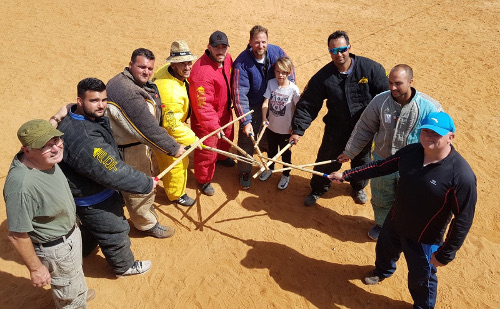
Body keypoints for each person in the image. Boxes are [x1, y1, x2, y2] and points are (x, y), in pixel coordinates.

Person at [329, 112, 477, 309]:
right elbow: (381, 166)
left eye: (436, 133)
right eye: (425, 131)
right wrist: (347, 175)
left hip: (424, 237)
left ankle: (423, 306)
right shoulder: (412, 153)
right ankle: (382, 271)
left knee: (421, 277)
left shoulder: (461, 176)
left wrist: (445, 254)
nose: (429, 136)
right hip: (396, 220)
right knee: (384, 251)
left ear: (450, 137)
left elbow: (463, 220)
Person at [58, 78, 153, 278]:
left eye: (103, 100)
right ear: (80, 101)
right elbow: (112, 169)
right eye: (94, 101)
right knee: (115, 230)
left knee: (92, 229)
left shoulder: (75, 115)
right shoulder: (87, 141)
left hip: (84, 192)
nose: (101, 105)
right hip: (95, 197)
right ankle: (123, 266)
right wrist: (145, 183)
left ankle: (82, 251)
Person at [337, 64, 442, 240]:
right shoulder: (380, 101)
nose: (392, 88)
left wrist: (433, 165)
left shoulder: (430, 108)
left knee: (410, 201)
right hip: (382, 161)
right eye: (390, 83)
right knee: (381, 198)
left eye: (398, 83)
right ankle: (382, 225)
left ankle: (406, 229)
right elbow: (364, 127)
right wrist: (350, 151)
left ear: (410, 82)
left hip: (413, 167)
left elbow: (440, 139)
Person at [290, 30, 388, 206]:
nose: (339, 54)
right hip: (336, 129)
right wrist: (298, 129)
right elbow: (308, 104)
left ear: (349, 47)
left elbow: (386, 98)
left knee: (362, 160)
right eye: (334, 51)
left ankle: (358, 186)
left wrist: (382, 125)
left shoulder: (371, 69)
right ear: (329, 52)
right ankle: (318, 189)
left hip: (365, 129)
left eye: (342, 49)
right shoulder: (323, 77)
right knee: (326, 161)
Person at [4, 119, 94, 308]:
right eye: (46, 146)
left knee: (73, 277)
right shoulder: (21, 186)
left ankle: (77, 290)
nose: (55, 148)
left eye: (56, 141)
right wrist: (36, 269)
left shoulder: (43, 159)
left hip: (69, 235)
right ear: (26, 150)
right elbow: (16, 235)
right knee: (70, 299)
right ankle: (72, 299)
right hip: (57, 249)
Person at [106, 48, 185, 237]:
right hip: (130, 150)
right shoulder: (126, 91)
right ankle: (146, 224)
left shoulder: (129, 81)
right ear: (131, 64)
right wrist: (173, 147)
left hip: (134, 144)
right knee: (140, 188)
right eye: (141, 67)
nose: (146, 72)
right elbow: (146, 126)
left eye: (150, 68)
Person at [232, 25, 296, 189]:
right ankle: (245, 171)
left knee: (273, 138)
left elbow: (289, 70)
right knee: (248, 138)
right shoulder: (242, 63)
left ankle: (270, 166)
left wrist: (288, 91)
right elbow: (239, 95)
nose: (261, 46)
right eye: (257, 42)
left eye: (263, 42)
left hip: (275, 102)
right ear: (250, 42)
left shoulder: (277, 52)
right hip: (253, 106)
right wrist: (246, 120)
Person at [188, 31, 235, 196]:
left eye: (224, 47)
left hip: (224, 111)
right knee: (207, 150)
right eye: (217, 47)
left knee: (227, 136)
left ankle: (222, 158)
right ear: (209, 47)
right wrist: (214, 127)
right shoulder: (201, 73)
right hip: (206, 121)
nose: (220, 51)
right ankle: (204, 179)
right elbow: (203, 106)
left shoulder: (227, 59)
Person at [152, 40, 198, 206]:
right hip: (165, 131)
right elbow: (172, 126)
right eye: (182, 64)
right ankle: (176, 195)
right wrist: (193, 139)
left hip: (160, 121)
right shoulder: (171, 93)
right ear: (173, 64)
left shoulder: (166, 71)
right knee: (177, 162)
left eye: (188, 62)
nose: (187, 67)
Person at [259, 56, 300, 190]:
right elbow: (265, 103)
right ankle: (269, 169)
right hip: (271, 127)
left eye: (283, 72)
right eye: (277, 71)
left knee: (285, 154)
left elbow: (299, 109)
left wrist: (296, 128)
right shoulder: (271, 83)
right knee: (271, 150)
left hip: (286, 130)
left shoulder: (294, 89)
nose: (280, 75)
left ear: (288, 73)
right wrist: (264, 118)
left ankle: (286, 174)